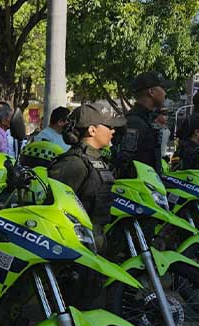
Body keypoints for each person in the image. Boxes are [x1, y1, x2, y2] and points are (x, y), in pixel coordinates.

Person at [49, 103, 127, 254]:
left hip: (94, 239)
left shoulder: (96, 159)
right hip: (76, 245)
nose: (113, 130)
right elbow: (55, 208)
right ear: (92, 130)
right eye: (109, 126)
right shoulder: (74, 162)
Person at [115, 71, 174, 178]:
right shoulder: (135, 122)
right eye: (163, 88)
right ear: (151, 92)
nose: (165, 93)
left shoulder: (147, 119)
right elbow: (125, 162)